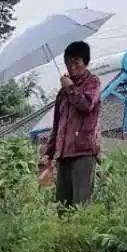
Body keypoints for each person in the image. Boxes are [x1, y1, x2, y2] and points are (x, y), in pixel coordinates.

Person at [44, 40, 103, 207]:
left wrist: (71, 88)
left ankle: (84, 234)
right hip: (63, 155)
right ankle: (64, 234)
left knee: (81, 204)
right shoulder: (62, 93)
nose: (72, 66)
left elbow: (86, 105)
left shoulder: (93, 82)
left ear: (85, 62)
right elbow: (57, 125)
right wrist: (49, 154)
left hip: (83, 152)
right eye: (68, 62)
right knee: (62, 206)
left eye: (76, 61)